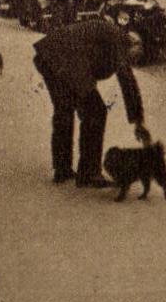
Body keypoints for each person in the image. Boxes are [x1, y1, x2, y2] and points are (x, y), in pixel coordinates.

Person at [33, 17, 146, 187]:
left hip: (48, 56)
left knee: (65, 110)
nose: (133, 62)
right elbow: (128, 83)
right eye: (135, 57)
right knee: (96, 111)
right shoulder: (119, 43)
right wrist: (138, 122)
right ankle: (89, 173)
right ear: (133, 44)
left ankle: (62, 169)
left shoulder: (117, 39)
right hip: (65, 61)